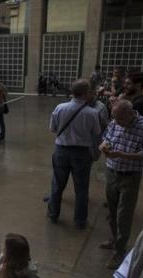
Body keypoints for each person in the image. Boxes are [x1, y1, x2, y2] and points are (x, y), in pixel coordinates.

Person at [99, 100, 143, 269]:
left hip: (130, 176)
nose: (117, 123)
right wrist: (104, 145)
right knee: (111, 209)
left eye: (120, 120)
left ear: (130, 114)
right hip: (112, 172)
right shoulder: (115, 121)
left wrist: (122, 155)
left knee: (124, 214)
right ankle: (114, 238)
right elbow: (106, 137)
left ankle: (119, 250)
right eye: (114, 119)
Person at [47, 79, 102, 229]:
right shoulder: (92, 113)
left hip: (61, 150)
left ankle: (53, 214)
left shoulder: (60, 107)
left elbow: (53, 129)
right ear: (85, 93)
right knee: (82, 188)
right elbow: (96, 133)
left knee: (57, 184)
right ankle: (79, 221)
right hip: (81, 153)